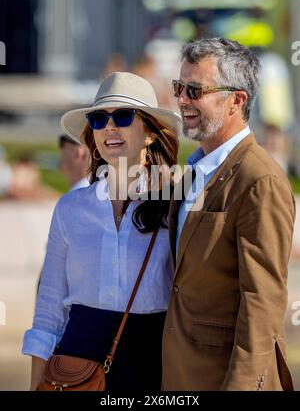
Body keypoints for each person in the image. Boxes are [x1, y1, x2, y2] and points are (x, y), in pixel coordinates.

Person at [21, 72, 180, 391]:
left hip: (152, 364)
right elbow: (50, 307)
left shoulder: (176, 205)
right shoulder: (70, 208)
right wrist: (37, 383)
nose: (110, 126)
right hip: (75, 365)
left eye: (123, 116)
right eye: (98, 118)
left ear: (150, 133)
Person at [162, 38, 295, 391]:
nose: (182, 100)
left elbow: (262, 301)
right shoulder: (192, 171)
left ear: (237, 100)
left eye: (195, 90)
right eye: (179, 87)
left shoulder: (259, 179)